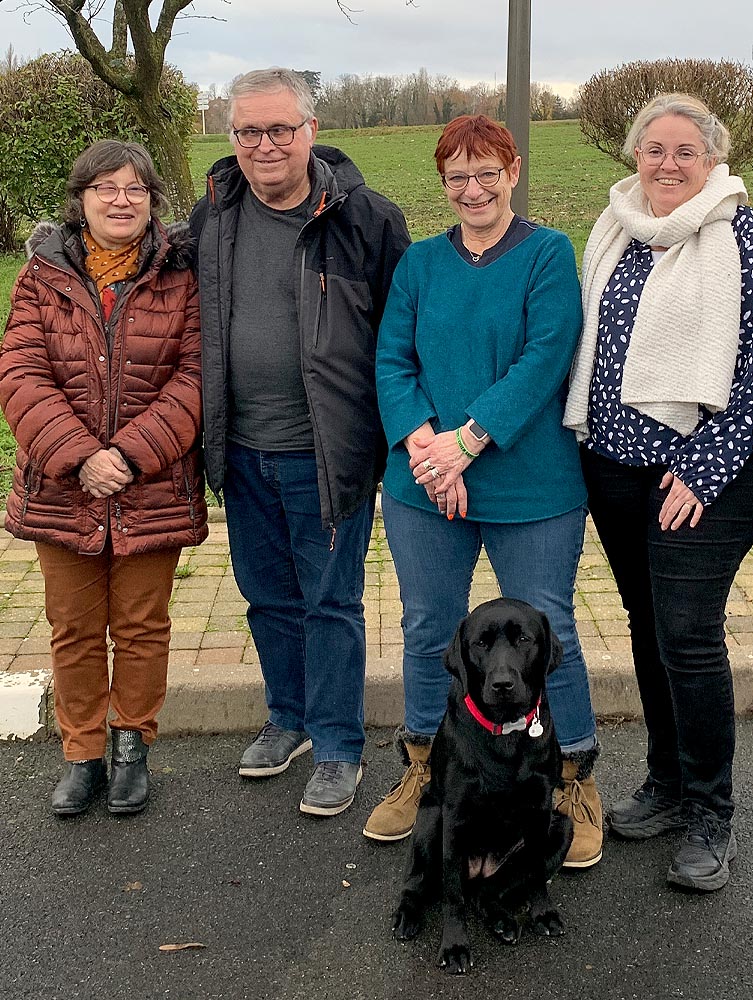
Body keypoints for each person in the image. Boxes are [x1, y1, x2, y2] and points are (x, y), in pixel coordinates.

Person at [563, 93, 753, 891]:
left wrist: (702, 465)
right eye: (653, 149)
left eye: (683, 152)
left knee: (689, 636)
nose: (666, 164)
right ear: (634, 155)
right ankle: (664, 785)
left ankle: (710, 813)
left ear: (712, 160)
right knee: (647, 624)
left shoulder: (745, 239)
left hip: (711, 476)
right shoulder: (616, 230)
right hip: (618, 468)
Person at [367, 114, 603, 869]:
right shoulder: (421, 263)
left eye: (485, 173)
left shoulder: (546, 253)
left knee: (546, 626)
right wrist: (424, 450)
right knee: (429, 625)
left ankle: (567, 781)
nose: (472, 189)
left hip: (530, 480)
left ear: (513, 171)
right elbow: (392, 360)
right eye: (456, 177)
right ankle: (427, 769)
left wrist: (464, 446)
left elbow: (544, 358)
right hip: (424, 477)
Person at [190, 68, 410, 817]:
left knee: (331, 602)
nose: (264, 145)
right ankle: (287, 720)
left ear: (311, 130)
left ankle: (340, 744)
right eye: (248, 131)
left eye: (279, 128)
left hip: (330, 453)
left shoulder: (368, 219)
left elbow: (399, 338)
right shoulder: (213, 215)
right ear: (232, 139)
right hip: (241, 449)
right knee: (266, 597)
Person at [0, 140, 208, 816]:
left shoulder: (181, 276)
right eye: (106, 188)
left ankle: (131, 750)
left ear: (153, 202)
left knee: (143, 626)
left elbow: (196, 377)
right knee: (73, 629)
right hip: (63, 488)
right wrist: (81, 455)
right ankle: (81, 756)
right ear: (80, 198)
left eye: (136, 189)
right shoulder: (41, 277)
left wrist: (129, 454)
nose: (123, 200)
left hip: (150, 484)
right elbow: (21, 375)